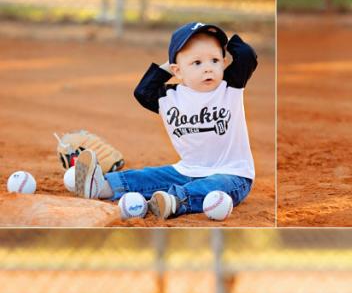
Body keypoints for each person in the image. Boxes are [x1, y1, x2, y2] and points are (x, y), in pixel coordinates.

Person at [72, 22, 257, 219]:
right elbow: (142, 91)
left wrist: (223, 43)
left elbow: (247, 56)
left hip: (232, 173)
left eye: (215, 60)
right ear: (176, 71)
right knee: (150, 176)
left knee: (214, 185)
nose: (208, 69)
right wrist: (172, 64)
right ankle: (102, 186)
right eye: (197, 63)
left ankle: (173, 201)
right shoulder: (170, 97)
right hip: (186, 170)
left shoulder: (229, 87)